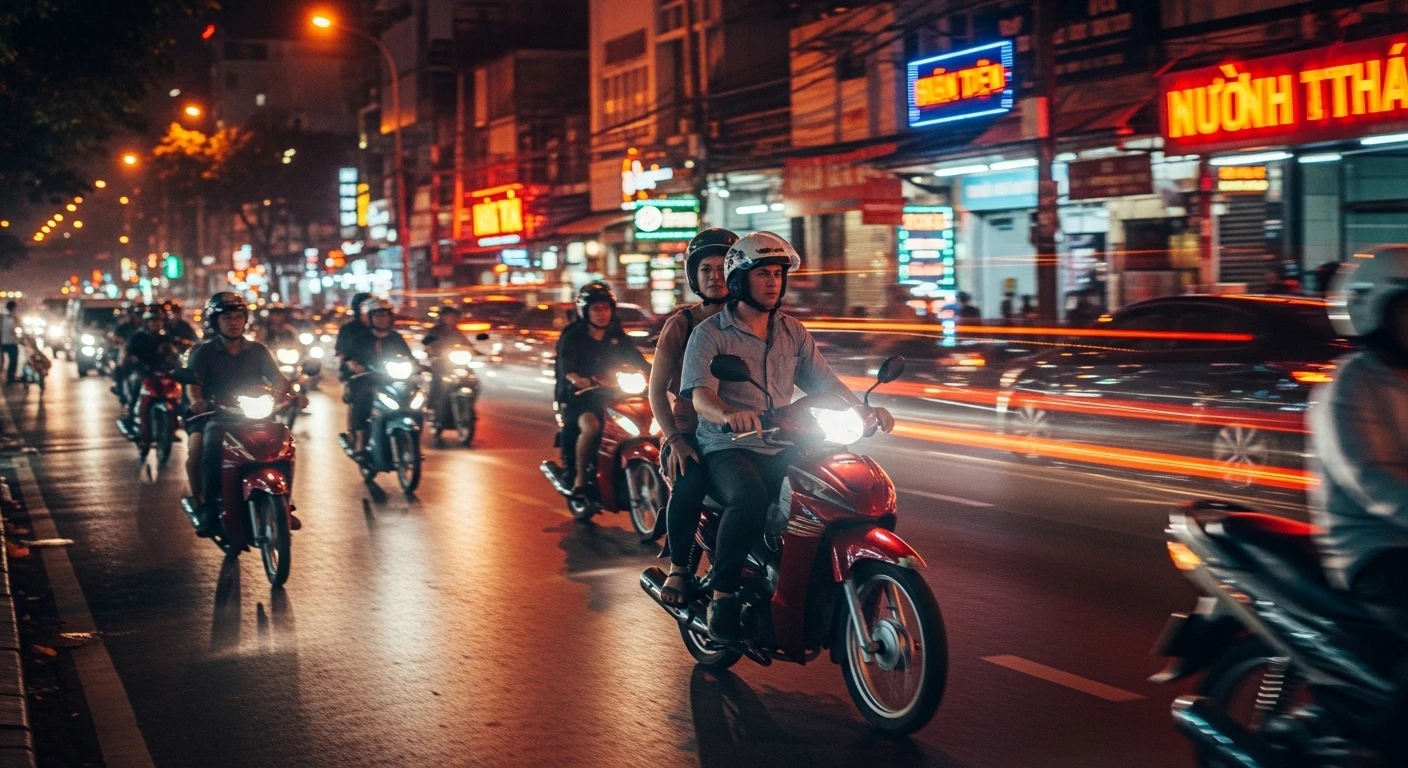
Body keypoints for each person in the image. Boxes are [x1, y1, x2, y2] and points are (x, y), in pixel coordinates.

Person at [679, 231, 895, 642]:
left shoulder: (791, 331)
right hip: (729, 445)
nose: (773, 281)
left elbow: (825, 383)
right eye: (763, 273)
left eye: (778, 274)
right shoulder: (710, 334)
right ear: (740, 280)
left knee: (827, 487)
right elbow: (702, 396)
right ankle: (723, 595)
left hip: (783, 439)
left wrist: (864, 410)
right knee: (750, 497)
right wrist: (729, 415)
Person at [1314, 249, 1408, 750]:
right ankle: (1381, 754)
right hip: (1376, 550)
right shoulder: (1352, 381)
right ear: (1376, 311)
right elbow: (1370, 476)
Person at [650, 228, 737, 605]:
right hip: (690, 433)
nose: (715, 277)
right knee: (689, 480)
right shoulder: (682, 325)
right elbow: (655, 391)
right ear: (693, 277)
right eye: (706, 270)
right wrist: (675, 440)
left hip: (744, 434)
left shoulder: (757, 320)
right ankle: (680, 569)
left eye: (723, 268)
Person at [183, 293, 293, 536]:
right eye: (227, 318)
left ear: (245, 320)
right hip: (217, 416)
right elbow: (193, 385)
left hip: (254, 414)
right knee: (208, 446)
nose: (233, 323)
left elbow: (277, 379)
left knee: (284, 443)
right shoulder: (203, 353)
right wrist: (198, 402)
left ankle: (285, 501)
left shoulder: (258, 350)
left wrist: (291, 394)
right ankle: (209, 507)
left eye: (238, 317)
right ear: (215, 322)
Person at [554, 281, 650, 496]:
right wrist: (577, 378)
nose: (602, 314)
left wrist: (659, 375)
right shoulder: (573, 337)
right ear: (585, 312)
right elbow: (565, 366)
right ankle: (579, 478)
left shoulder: (617, 337)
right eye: (596, 309)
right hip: (581, 399)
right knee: (592, 427)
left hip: (613, 395)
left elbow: (638, 361)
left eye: (605, 308)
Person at [340, 298, 412, 456]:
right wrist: (353, 365)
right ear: (370, 318)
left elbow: (409, 358)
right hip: (368, 380)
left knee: (414, 397)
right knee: (363, 399)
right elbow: (348, 359)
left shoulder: (396, 338)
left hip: (393, 381)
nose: (382, 319)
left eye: (385, 315)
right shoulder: (360, 338)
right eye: (378, 316)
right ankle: (359, 442)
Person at [422, 303, 475, 444]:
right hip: (441, 365)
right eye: (447, 316)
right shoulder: (435, 331)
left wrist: (475, 351)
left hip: (457, 365)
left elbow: (467, 345)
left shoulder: (457, 332)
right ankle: (433, 410)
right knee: (439, 385)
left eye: (452, 316)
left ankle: (468, 408)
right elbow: (427, 345)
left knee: (472, 380)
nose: (450, 319)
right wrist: (431, 351)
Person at [119, 307, 180, 430]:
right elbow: (128, 354)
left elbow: (174, 354)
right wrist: (133, 361)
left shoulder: (166, 338)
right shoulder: (138, 337)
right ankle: (131, 416)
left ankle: (176, 420)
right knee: (136, 386)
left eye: (158, 320)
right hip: (142, 372)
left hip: (162, 373)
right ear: (147, 322)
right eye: (152, 320)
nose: (156, 323)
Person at [335, 292, 374, 381]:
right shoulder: (348, 329)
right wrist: (351, 364)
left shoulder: (381, 330)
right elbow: (341, 352)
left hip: (380, 373)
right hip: (355, 375)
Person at [0, 301, 18, 384]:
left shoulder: (13, 318)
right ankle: (10, 377)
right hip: (6, 342)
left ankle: (10, 377)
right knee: (11, 361)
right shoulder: (3, 317)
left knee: (12, 361)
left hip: (10, 342)